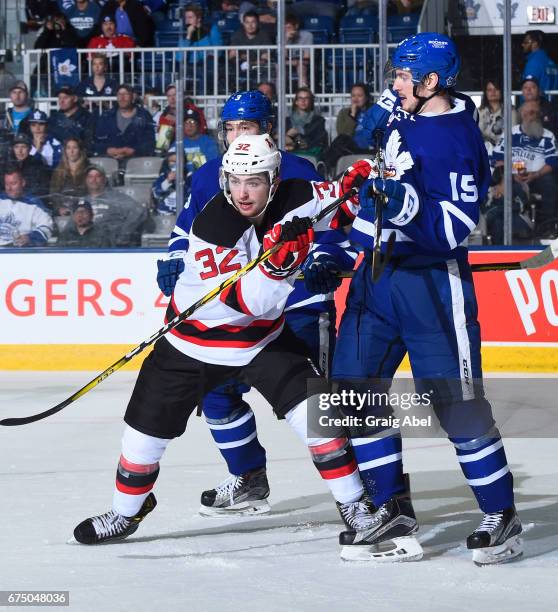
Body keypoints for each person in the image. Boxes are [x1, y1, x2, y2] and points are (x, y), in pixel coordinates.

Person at [72, 133, 370, 546]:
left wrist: (361, 185)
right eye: (234, 181)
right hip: (192, 344)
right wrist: (282, 266)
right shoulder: (215, 226)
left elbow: (336, 203)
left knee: (317, 417)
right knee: (141, 441)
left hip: (262, 341)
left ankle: (355, 504)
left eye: (254, 182)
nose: (242, 193)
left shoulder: (296, 192)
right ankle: (127, 513)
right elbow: (250, 302)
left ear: (274, 179)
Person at [328, 32, 523, 566]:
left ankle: (500, 515)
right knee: (353, 392)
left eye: (401, 75)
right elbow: (376, 179)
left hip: (430, 282)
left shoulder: (456, 139)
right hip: (377, 277)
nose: (392, 84)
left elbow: (455, 228)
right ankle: (391, 507)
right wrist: (342, 253)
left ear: (432, 82)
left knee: (457, 407)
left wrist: (405, 202)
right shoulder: (405, 109)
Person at [156, 90, 356, 516]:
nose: (235, 136)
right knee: (215, 397)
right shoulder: (210, 175)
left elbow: (332, 234)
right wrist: (174, 260)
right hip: (235, 316)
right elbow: (184, 233)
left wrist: (323, 261)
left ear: (267, 129)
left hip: (298, 305)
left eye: (245, 127)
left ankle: (362, 495)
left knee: (317, 405)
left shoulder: (298, 171)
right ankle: (248, 478)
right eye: (229, 128)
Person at [491, 100, 558, 231]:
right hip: (511, 177)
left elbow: (553, 162)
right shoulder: (510, 133)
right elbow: (496, 158)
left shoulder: (547, 135)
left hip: (537, 176)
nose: (529, 116)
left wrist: (536, 174)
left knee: (550, 183)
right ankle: (516, 227)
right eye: (526, 113)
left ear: (539, 115)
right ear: (521, 114)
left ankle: (547, 227)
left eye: (533, 113)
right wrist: (511, 175)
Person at [83, 164, 147, 246]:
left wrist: (124, 234)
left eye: (98, 176)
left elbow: (140, 211)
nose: (94, 180)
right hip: (88, 246)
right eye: (90, 177)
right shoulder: (82, 201)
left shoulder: (116, 198)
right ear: (85, 180)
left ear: (104, 180)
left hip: (111, 246)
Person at [93, 83, 155, 160]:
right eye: (119, 94)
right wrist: (108, 150)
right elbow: (97, 141)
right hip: (109, 159)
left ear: (133, 97)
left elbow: (150, 142)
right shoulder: (107, 116)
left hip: (137, 160)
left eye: (126, 94)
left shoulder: (144, 115)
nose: (122, 97)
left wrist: (133, 151)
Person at [323, 82, 373, 175]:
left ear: (366, 97)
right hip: (350, 148)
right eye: (353, 95)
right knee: (341, 139)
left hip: (369, 148)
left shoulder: (373, 112)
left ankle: (325, 168)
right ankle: (326, 168)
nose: (356, 98)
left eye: (360, 95)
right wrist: (352, 115)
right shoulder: (344, 113)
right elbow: (344, 133)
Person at [0, 166, 53, 247]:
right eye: (7, 184)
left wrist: (30, 238)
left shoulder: (34, 204)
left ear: (23, 183)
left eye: (13, 183)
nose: (9, 188)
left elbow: (46, 227)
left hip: (22, 252)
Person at [49, 137, 90, 215]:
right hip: (65, 210)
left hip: (84, 208)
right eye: (68, 148)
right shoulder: (58, 172)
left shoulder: (88, 169)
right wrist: (59, 208)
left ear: (80, 150)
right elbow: (53, 194)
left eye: (75, 148)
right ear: (65, 151)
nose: (71, 151)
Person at [285, 86, 328, 160]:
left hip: (310, 154)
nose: (303, 101)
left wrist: (298, 142)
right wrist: (287, 136)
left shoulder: (319, 121)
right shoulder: (287, 120)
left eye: (306, 98)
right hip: (290, 155)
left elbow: (320, 141)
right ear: (296, 101)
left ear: (311, 101)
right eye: (300, 98)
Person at [48, 87, 95, 153]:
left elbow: (89, 142)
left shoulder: (87, 117)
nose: (61, 101)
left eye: (65, 98)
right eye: (59, 98)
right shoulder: (53, 119)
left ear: (75, 99)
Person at [478, 78, 518, 155]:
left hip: (505, 151)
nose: (493, 92)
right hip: (484, 150)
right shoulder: (479, 112)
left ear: (502, 92)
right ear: (486, 93)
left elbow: (513, 134)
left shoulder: (511, 111)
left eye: (496, 89)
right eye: (489, 90)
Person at [7, 133, 52, 198]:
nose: (20, 151)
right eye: (16, 147)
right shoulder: (7, 165)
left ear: (30, 149)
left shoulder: (38, 166)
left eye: (23, 147)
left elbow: (42, 191)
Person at [521, 29, 558, 95]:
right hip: (552, 103)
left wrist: (524, 104)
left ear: (535, 43)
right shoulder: (552, 63)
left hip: (537, 103)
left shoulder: (533, 63)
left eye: (525, 42)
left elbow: (528, 91)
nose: (522, 45)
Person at [285, 13, 313, 87]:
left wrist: (297, 62)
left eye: (289, 28)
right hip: (287, 63)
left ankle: (302, 93)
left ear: (296, 26)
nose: (287, 31)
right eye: (285, 28)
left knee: (301, 67)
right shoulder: (281, 36)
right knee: (279, 67)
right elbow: (282, 57)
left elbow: (307, 57)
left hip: (302, 62)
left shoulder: (307, 35)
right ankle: (279, 95)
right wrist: (286, 40)